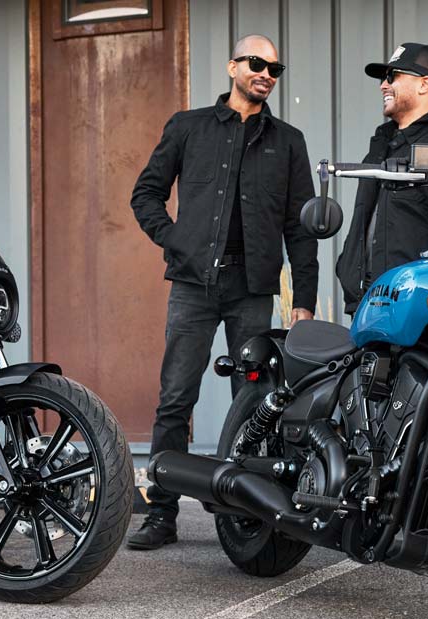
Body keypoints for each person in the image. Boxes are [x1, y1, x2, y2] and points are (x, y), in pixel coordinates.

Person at [128, 34, 319, 550]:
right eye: (257, 63)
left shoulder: (288, 141)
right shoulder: (187, 127)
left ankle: (246, 516)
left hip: (252, 290)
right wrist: (176, 242)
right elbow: (145, 194)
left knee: (254, 403)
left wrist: (303, 300)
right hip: (194, 285)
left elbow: (301, 227)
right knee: (175, 398)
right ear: (232, 66)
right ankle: (162, 513)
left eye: (275, 68)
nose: (266, 74)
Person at [337, 43, 428, 313]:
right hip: (368, 303)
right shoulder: (381, 146)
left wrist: (423, 291)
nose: (383, 85)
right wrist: (347, 268)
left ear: (424, 84)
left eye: (392, 76)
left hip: (417, 308)